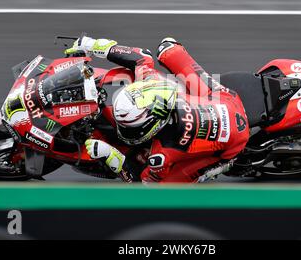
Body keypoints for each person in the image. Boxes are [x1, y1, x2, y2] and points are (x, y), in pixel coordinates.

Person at [64, 36, 250, 183]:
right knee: (168, 48)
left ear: (152, 128)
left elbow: (143, 182)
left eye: (129, 128)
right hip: (223, 99)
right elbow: (142, 57)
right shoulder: (151, 81)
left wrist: (112, 157)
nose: (122, 130)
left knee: (166, 187)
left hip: (234, 140)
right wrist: (94, 45)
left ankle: (223, 165)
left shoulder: (161, 155)